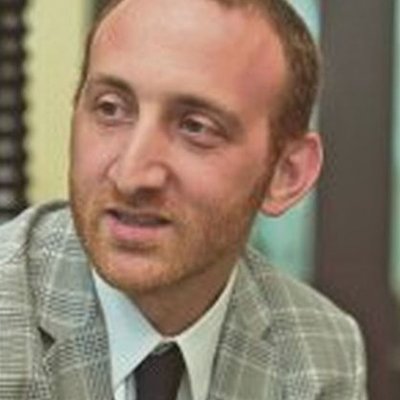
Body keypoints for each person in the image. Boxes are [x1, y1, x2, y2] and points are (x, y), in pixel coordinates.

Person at [0, 0, 367, 399]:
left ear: (286, 173)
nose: (131, 175)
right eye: (110, 108)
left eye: (196, 127)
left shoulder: (322, 353)